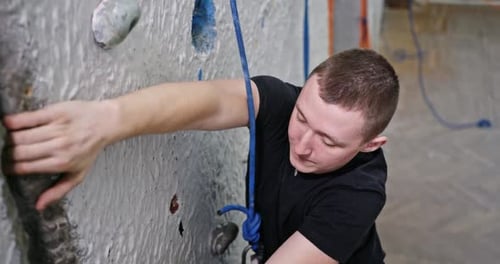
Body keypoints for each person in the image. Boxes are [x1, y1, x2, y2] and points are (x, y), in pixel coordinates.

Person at [3, 48, 399, 263]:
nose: (302, 144)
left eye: (329, 142)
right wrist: (106, 122)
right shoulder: (283, 103)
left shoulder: (358, 195)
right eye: (301, 117)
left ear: (370, 145)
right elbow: (209, 102)